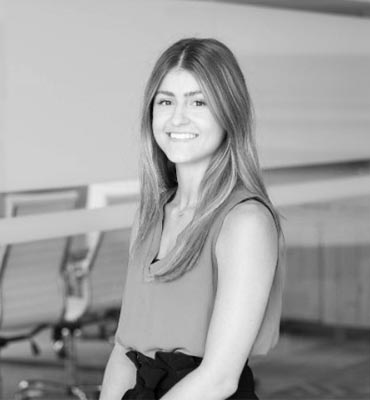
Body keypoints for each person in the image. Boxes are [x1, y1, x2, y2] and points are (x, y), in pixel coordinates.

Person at [99, 37, 284, 400]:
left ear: (230, 113)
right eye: (166, 101)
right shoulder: (150, 216)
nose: (177, 117)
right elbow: (124, 350)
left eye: (198, 102)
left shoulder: (245, 222)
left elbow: (219, 379)